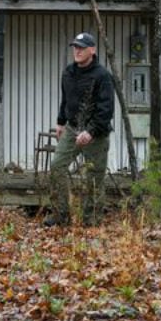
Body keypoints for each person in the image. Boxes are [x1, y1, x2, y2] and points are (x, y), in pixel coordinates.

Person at [44, 32, 115, 227]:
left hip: (96, 134)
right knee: (57, 166)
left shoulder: (103, 76)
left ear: (92, 50)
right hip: (72, 128)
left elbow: (106, 110)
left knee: (93, 178)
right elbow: (65, 100)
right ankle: (61, 214)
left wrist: (90, 132)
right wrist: (60, 122)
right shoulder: (68, 72)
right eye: (75, 47)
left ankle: (90, 221)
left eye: (81, 47)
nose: (77, 51)